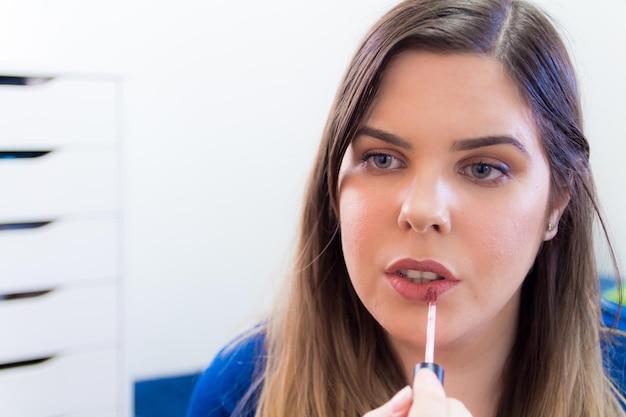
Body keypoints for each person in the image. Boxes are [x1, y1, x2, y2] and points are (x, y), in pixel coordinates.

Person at [187, 0, 626, 416]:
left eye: (483, 169)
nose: (421, 210)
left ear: (557, 201)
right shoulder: (239, 391)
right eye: (382, 159)